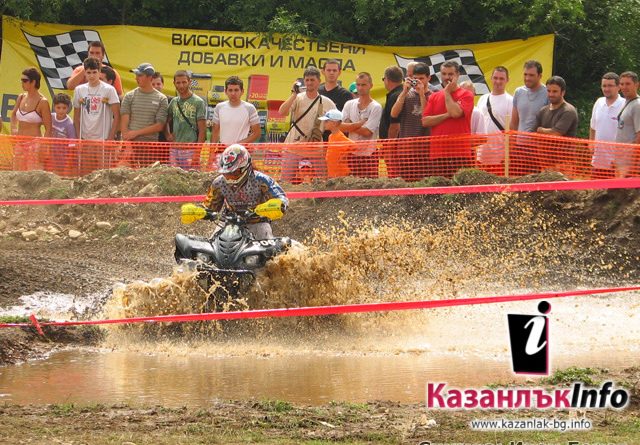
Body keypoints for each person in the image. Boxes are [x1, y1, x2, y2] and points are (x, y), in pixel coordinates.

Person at [202, 144, 289, 240]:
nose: (230, 178)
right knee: (212, 242)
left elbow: (281, 198)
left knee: (267, 242)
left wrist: (278, 205)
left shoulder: (261, 180)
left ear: (245, 168)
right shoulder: (219, 183)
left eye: (234, 173)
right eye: (227, 174)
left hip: (257, 222)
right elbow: (210, 207)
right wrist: (199, 212)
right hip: (228, 223)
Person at [279, 66, 336, 182]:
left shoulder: (327, 102)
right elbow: (282, 112)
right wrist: (293, 94)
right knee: (285, 182)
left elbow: (337, 122)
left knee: (322, 182)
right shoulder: (297, 98)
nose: (309, 83)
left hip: (315, 149)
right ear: (304, 81)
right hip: (293, 147)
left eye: (312, 80)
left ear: (319, 81)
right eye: (307, 80)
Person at [422, 60, 475, 178]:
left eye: (450, 74)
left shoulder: (466, 95)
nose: (447, 77)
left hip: (460, 153)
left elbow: (455, 113)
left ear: (457, 75)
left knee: (461, 187)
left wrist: (447, 93)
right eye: (444, 74)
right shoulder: (434, 96)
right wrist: (446, 115)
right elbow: (425, 121)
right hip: (438, 154)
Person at [72, 57, 121, 174]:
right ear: (84, 73)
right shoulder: (79, 90)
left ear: (99, 72)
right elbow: (76, 117)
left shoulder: (109, 90)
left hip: (103, 138)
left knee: (103, 173)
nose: (92, 76)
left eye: (94, 72)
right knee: (86, 173)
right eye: (88, 72)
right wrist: (79, 138)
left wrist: (110, 138)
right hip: (86, 138)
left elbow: (117, 116)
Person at [120, 62, 168, 166]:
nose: (136, 78)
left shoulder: (162, 99)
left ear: (149, 77)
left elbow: (159, 126)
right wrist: (127, 144)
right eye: (136, 75)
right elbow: (124, 123)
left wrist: (136, 133)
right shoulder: (129, 96)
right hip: (130, 145)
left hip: (150, 148)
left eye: (140, 75)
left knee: (147, 176)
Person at [391, 62, 432, 180]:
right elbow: (393, 114)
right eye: (415, 79)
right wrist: (404, 92)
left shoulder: (433, 95)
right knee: (405, 183)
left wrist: (422, 95)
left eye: (421, 78)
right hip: (405, 150)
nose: (418, 82)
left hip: (424, 151)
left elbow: (426, 118)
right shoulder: (406, 95)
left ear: (429, 78)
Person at [510, 60, 549, 175]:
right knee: (517, 182)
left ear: (540, 76)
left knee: (535, 183)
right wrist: (512, 146)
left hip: (538, 151)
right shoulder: (518, 92)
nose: (527, 78)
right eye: (525, 74)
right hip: (519, 148)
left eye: (531, 75)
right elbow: (514, 122)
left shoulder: (548, 93)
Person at [340, 72, 382, 178]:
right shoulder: (349, 104)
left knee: (371, 185)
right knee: (351, 185)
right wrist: (359, 124)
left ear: (371, 85)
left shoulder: (376, 107)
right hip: (351, 154)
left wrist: (350, 125)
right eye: (358, 84)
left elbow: (367, 132)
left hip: (369, 155)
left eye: (363, 85)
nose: (360, 88)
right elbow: (340, 127)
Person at [10, 67, 52, 171]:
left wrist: (43, 147)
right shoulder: (21, 97)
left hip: (34, 145)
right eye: (21, 80)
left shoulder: (43, 102)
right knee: (17, 174)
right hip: (19, 144)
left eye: (25, 80)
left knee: (33, 176)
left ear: (33, 82)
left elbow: (48, 128)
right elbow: (13, 114)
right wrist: (13, 129)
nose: (22, 83)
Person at [166, 70, 206, 170]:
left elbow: (202, 130)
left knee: (190, 177)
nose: (181, 85)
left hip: (190, 150)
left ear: (189, 82)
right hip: (174, 149)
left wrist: (197, 153)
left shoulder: (198, 102)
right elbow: (165, 120)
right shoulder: (174, 101)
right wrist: (167, 134)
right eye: (178, 82)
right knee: (173, 176)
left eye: (184, 82)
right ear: (174, 83)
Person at [476, 66, 513, 173]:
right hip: (481, 155)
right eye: (495, 78)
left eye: (501, 78)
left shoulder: (510, 101)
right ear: (491, 78)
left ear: (507, 80)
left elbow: (512, 130)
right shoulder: (483, 98)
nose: (498, 81)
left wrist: (508, 155)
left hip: (500, 157)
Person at [589, 72, 625, 179]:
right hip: (598, 161)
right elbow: (593, 126)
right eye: (604, 86)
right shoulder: (599, 102)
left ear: (618, 87)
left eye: (610, 86)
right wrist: (591, 144)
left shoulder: (625, 105)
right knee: (594, 188)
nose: (606, 89)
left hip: (616, 164)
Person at [211, 76, 261, 145]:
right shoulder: (219, 107)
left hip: (241, 149)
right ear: (225, 91)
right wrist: (212, 150)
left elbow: (257, 133)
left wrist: (237, 145)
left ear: (242, 91)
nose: (233, 93)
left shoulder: (250, 108)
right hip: (222, 148)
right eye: (230, 90)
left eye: (236, 90)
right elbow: (215, 131)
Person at [379, 66, 404, 178]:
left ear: (387, 79)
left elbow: (395, 125)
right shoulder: (400, 93)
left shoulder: (395, 96)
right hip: (398, 145)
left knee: (395, 177)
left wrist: (389, 148)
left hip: (395, 147)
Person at [615, 71, 640, 177]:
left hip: (631, 163)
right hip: (622, 159)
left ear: (637, 85)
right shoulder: (627, 102)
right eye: (622, 84)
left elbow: (639, 136)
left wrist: (633, 164)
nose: (624, 87)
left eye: (628, 84)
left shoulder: (637, 105)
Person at [319, 109, 355, 178]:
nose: (324, 123)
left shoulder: (340, 136)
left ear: (334, 123)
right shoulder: (331, 136)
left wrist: (344, 155)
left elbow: (354, 145)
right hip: (332, 173)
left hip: (341, 175)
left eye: (326, 121)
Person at [50, 93, 76, 175]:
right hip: (51, 155)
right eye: (58, 107)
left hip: (63, 157)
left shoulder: (69, 124)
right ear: (54, 106)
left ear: (68, 108)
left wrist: (69, 160)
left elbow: (72, 144)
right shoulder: (50, 117)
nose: (61, 111)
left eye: (64, 108)